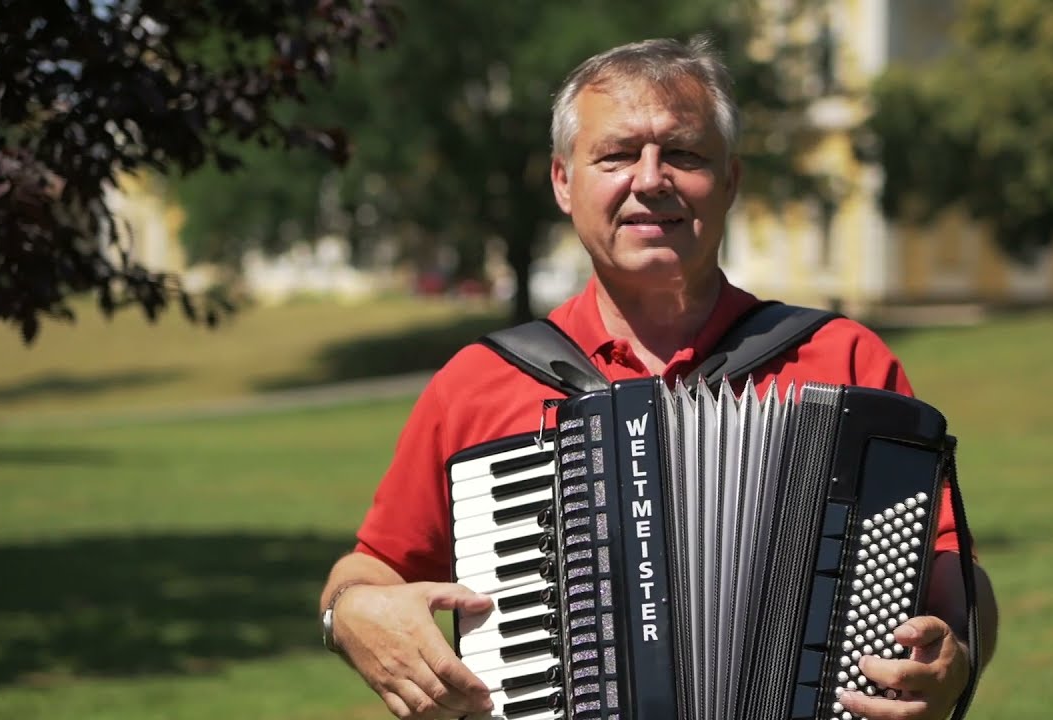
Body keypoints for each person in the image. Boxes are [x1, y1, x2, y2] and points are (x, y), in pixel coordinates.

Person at [319, 36, 999, 720]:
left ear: (730, 181)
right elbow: (373, 565)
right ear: (563, 182)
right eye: (616, 155)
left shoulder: (845, 361)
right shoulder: (479, 382)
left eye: (685, 154)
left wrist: (957, 653)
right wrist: (349, 614)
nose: (650, 180)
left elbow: (952, 570)